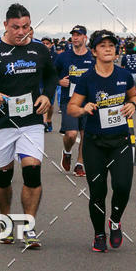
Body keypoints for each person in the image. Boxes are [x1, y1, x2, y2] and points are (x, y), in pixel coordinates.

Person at [0, 3, 57, 249]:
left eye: (26, 27)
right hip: (1, 122)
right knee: (3, 176)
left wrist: (47, 95)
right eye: (16, 27)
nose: (22, 32)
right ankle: (6, 220)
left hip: (31, 121)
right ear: (5, 25)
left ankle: (29, 227)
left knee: (32, 171)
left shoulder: (39, 49)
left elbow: (51, 76)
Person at [68, 29, 136, 252]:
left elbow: (133, 95)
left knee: (122, 186)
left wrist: (132, 105)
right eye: (103, 45)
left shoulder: (124, 75)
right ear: (95, 51)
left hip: (120, 142)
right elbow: (71, 108)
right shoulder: (87, 78)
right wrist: (83, 108)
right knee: (98, 192)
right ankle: (99, 234)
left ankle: (115, 221)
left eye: (111, 45)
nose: (108, 49)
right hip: (94, 143)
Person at [55, 26, 94, 176]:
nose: (75, 38)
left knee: (86, 135)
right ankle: (67, 151)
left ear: (85, 37)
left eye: (79, 35)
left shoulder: (92, 57)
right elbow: (50, 75)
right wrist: (59, 82)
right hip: (69, 101)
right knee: (71, 134)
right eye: (73, 35)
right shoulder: (63, 57)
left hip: (88, 102)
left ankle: (79, 164)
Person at [41, 37, 58, 133]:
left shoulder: (55, 56)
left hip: (50, 83)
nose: (45, 45)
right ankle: (43, 122)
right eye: (43, 43)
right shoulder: (36, 54)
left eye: (47, 43)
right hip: (39, 83)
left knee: (50, 105)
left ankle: (49, 120)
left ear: (51, 45)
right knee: (43, 102)